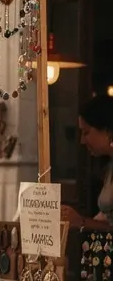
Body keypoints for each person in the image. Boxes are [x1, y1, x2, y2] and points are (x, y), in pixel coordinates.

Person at [61, 94, 113, 229]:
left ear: (107, 132)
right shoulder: (109, 168)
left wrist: (81, 222)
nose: (82, 141)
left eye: (86, 132)